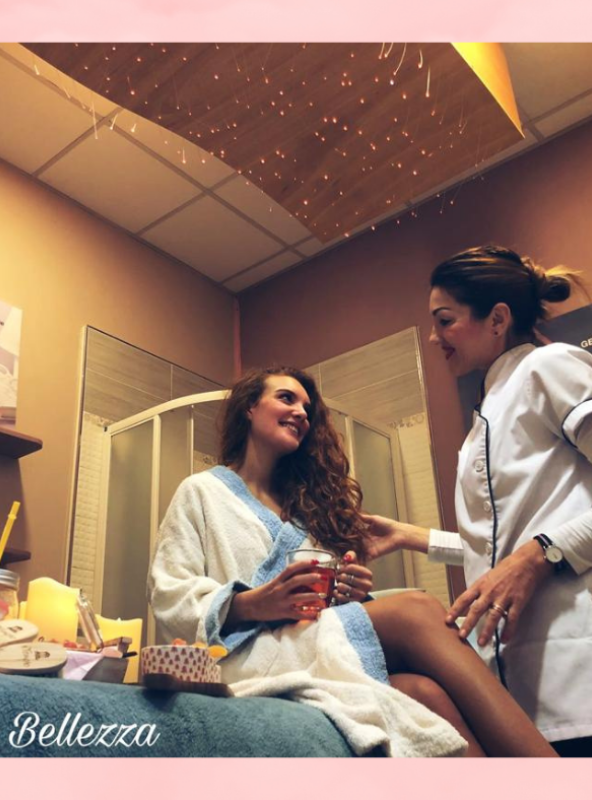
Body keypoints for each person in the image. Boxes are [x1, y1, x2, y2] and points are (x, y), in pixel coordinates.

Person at [148, 364, 556, 757]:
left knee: (425, 694)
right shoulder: (201, 492)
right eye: (287, 398)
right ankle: (556, 780)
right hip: (241, 655)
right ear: (250, 407)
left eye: (307, 408)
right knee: (416, 610)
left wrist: (350, 596)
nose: (301, 413)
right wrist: (254, 603)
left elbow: (318, 610)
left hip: (306, 647)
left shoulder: (307, 513)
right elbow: (170, 596)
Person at [364, 244, 592, 757]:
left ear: (498, 320)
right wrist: (411, 537)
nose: (433, 337)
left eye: (444, 320)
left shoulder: (549, 367)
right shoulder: (486, 414)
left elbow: (526, 550)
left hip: (580, 668)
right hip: (522, 688)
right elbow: (497, 548)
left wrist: (541, 555)